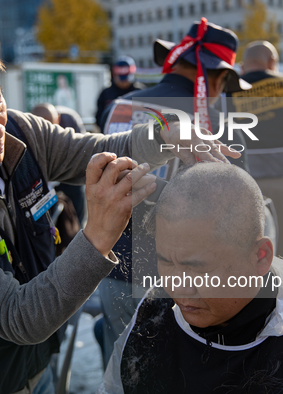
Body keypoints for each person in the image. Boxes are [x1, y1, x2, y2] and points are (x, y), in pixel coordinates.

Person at [0, 21, 238, 394]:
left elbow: (101, 151)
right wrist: (99, 235)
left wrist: (165, 133)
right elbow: (20, 317)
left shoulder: (22, 132)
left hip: (37, 369)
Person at [99, 162, 283, 394]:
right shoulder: (153, 317)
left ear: (260, 256)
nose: (179, 288)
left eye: (198, 269)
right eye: (166, 262)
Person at [96, 18, 250, 368]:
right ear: (216, 76)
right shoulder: (210, 125)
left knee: (118, 371)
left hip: (108, 262)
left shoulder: (117, 107)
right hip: (175, 279)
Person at [228, 41, 283, 262]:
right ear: (272, 62)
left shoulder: (227, 90)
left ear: (243, 66)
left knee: (249, 258)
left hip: (243, 186)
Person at [31, 102, 87, 224]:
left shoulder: (70, 120)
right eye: (43, 130)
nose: (48, 134)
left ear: (58, 119)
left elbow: (82, 152)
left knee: (76, 199)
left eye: (51, 127)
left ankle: (78, 229)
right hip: (46, 177)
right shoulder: (28, 130)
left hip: (70, 169)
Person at [95, 56, 145, 131]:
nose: (123, 82)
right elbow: (99, 117)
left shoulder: (140, 91)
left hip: (136, 134)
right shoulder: (106, 93)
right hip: (112, 135)